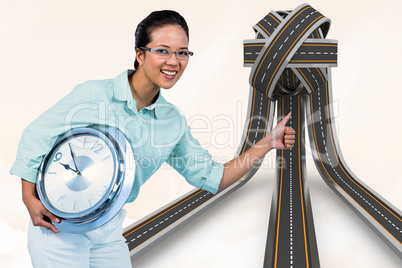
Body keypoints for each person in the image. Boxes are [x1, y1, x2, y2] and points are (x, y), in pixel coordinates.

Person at [10, 10, 295, 268]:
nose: (174, 61)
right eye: (163, 50)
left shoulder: (172, 123)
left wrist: (268, 143)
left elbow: (212, 176)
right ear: (140, 54)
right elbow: (36, 136)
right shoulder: (94, 94)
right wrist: (28, 197)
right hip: (59, 228)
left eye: (183, 53)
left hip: (108, 233)